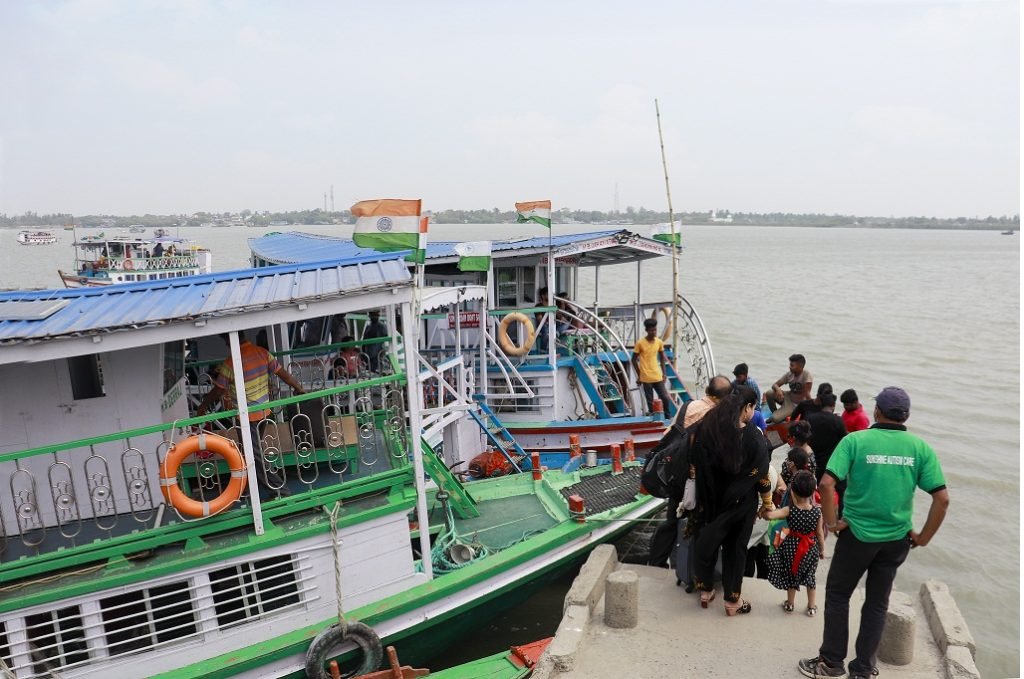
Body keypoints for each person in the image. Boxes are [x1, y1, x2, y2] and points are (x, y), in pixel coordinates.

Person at [798, 387, 949, 679]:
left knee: (839, 595)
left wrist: (831, 523)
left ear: (877, 412)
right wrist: (923, 537)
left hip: (856, 535)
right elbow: (942, 499)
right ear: (906, 415)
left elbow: (826, 484)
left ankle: (831, 663)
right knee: (878, 603)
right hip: (896, 539)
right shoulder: (920, 448)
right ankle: (863, 669)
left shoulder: (855, 441)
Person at [690, 385, 773, 616]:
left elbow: (693, 458)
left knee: (706, 539)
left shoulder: (707, 427)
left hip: (709, 499)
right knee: (735, 550)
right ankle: (732, 600)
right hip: (740, 504)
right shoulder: (754, 437)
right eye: (753, 407)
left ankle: (705, 589)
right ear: (746, 408)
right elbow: (761, 475)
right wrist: (767, 504)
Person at [196, 332, 306, 499]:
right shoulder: (262, 353)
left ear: (229, 339)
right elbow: (283, 373)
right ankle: (245, 486)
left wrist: (203, 405)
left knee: (253, 455)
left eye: (225, 340)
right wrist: (298, 388)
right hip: (264, 412)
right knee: (248, 451)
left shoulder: (231, 363)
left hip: (247, 417)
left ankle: (279, 490)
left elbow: (219, 389)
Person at [647, 374, 732, 572]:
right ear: (723, 399)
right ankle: (689, 568)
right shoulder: (715, 416)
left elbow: (669, 434)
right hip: (693, 476)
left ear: (707, 391)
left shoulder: (687, 406)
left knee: (672, 517)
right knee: (695, 520)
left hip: (673, 470)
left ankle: (657, 561)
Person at [762, 470, 825, 617]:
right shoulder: (817, 512)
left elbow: (770, 516)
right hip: (810, 549)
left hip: (791, 548)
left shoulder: (789, 510)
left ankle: (790, 604)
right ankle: (811, 606)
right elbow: (820, 534)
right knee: (810, 576)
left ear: (793, 492)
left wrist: (763, 510)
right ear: (811, 493)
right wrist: (822, 550)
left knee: (792, 574)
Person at [631, 318, 673, 416]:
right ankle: (653, 417)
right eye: (651, 330)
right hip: (645, 377)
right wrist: (639, 375)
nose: (653, 332)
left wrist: (664, 373)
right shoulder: (640, 343)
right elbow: (633, 360)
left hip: (657, 375)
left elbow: (662, 358)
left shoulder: (659, 342)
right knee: (650, 401)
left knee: (665, 397)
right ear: (646, 330)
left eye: (655, 330)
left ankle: (667, 416)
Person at [805, 393, 848, 482]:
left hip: (813, 460)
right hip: (831, 463)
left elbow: (805, 438)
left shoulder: (810, 418)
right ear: (833, 406)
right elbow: (844, 441)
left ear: (821, 405)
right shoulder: (838, 421)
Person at [767, 354, 813, 424]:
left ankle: (777, 417)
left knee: (774, 419)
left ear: (800, 366)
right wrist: (778, 389)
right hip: (788, 397)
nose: (789, 367)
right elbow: (775, 385)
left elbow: (807, 394)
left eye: (792, 365)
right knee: (769, 393)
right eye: (790, 365)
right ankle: (777, 413)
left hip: (796, 405)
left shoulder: (806, 375)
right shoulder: (789, 374)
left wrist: (813, 409)